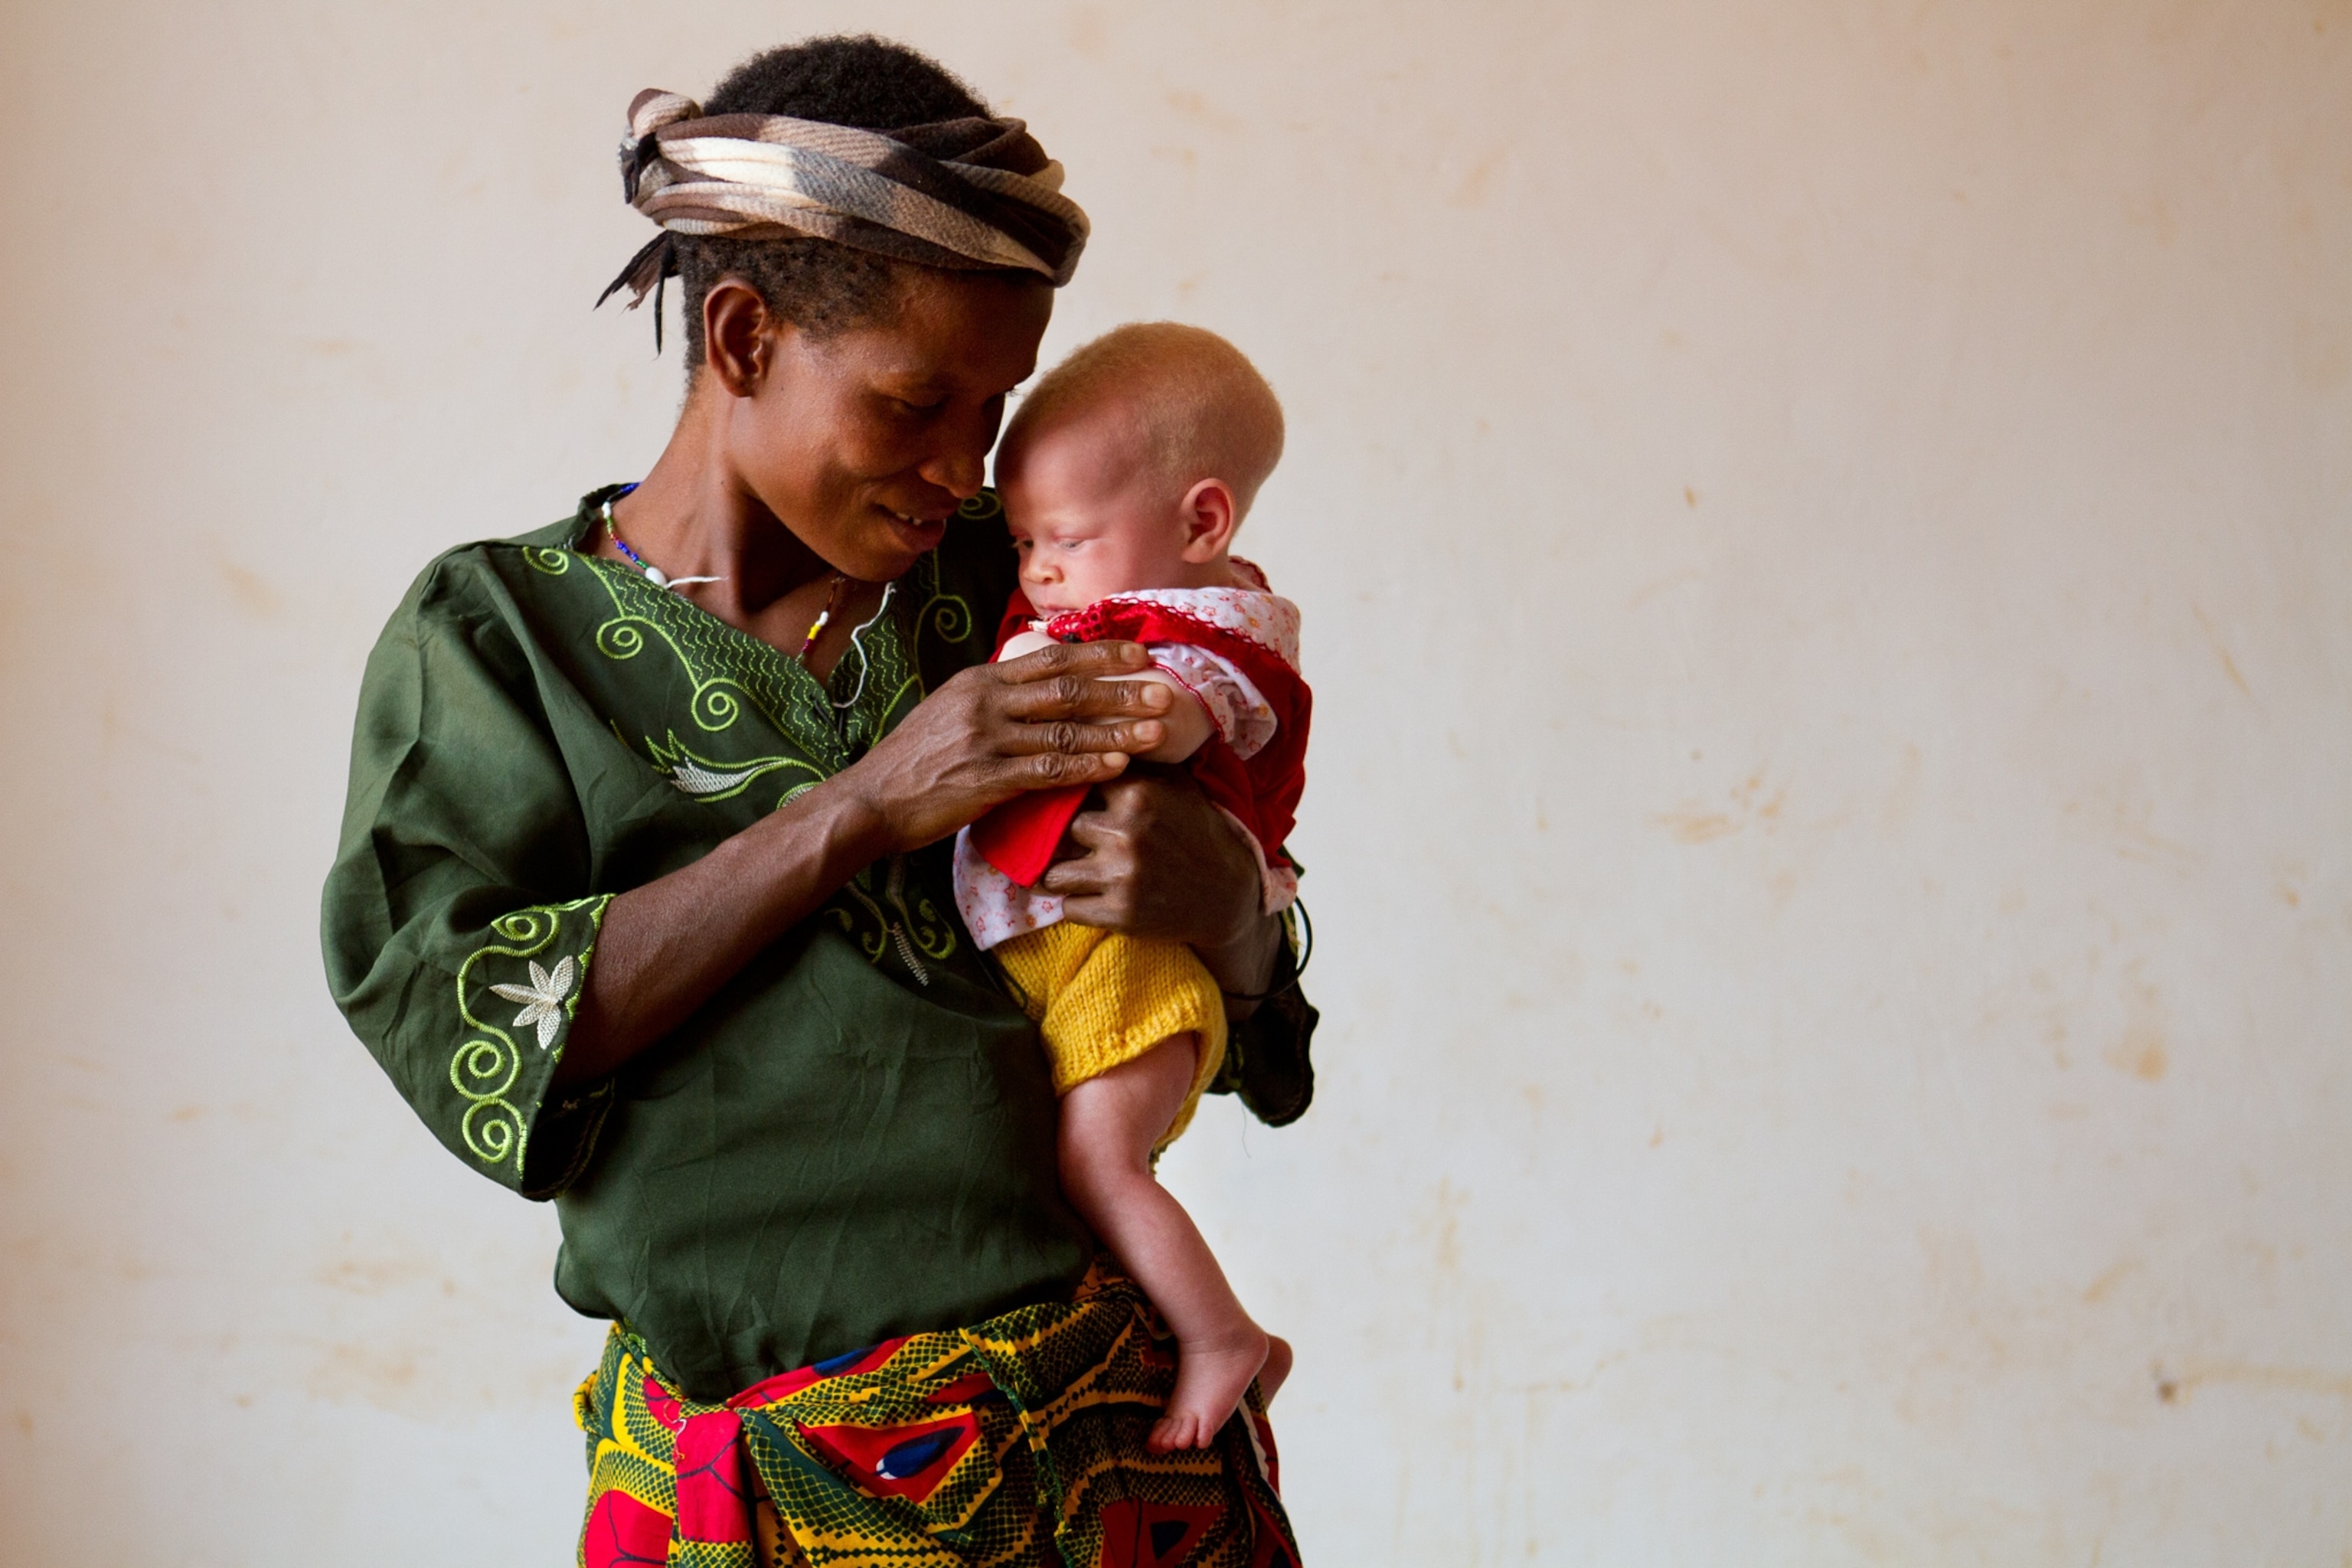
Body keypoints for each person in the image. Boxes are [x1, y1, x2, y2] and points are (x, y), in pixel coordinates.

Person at [318, 36, 1315, 1568]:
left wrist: (1227, 900)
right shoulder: (498, 643)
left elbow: (1253, 968)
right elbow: (461, 1021)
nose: (958, 470)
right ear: (740, 336)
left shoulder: (1015, 584)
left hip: (1112, 1459)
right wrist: (856, 810)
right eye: (916, 402)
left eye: (989, 416)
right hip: (759, 1498)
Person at [952, 323, 1308, 1455]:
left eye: (1063, 539)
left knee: (1094, 1159)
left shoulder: (1206, 628)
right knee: (1071, 1162)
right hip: (1061, 959)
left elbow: (1181, 709)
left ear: (1202, 523)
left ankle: (1223, 1337)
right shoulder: (1075, 602)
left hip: (1128, 958)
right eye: (1023, 544)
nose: (1038, 571)